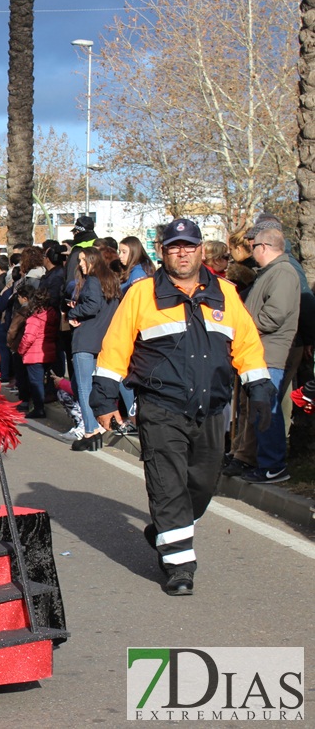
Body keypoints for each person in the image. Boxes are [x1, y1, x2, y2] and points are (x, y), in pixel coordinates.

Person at [91, 219, 275, 596]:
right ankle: (179, 566)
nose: (182, 252)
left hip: (211, 409)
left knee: (202, 485)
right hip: (160, 407)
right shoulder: (141, 294)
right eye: (174, 247)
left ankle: (163, 529)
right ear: (163, 251)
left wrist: (260, 389)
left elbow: (248, 345)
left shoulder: (224, 292)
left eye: (189, 246)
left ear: (200, 250)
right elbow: (115, 348)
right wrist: (103, 398)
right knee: (168, 485)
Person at [221, 226, 300, 482]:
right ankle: (260, 461)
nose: (251, 251)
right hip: (259, 352)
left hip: (270, 353)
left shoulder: (283, 273)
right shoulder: (271, 272)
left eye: (253, 246)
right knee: (257, 410)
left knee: (268, 411)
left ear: (264, 247)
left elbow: (273, 316)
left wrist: (243, 326)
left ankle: (273, 465)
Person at [65, 247, 122, 450]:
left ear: (92, 260)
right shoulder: (112, 281)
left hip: (86, 339)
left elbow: (91, 306)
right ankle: (100, 426)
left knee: (84, 387)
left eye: (83, 260)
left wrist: (72, 313)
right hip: (104, 339)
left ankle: (91, 431)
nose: (80, 264)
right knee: (99, 386)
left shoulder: (92, 281)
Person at [15, 283, 57, 419]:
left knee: (36, 382)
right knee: (45, 380)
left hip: (34, 354)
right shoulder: (52, 315)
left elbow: (28, 338)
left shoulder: (34, 318)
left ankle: (39, 408)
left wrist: (20, 350)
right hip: (48, 351)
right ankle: (42, 403)